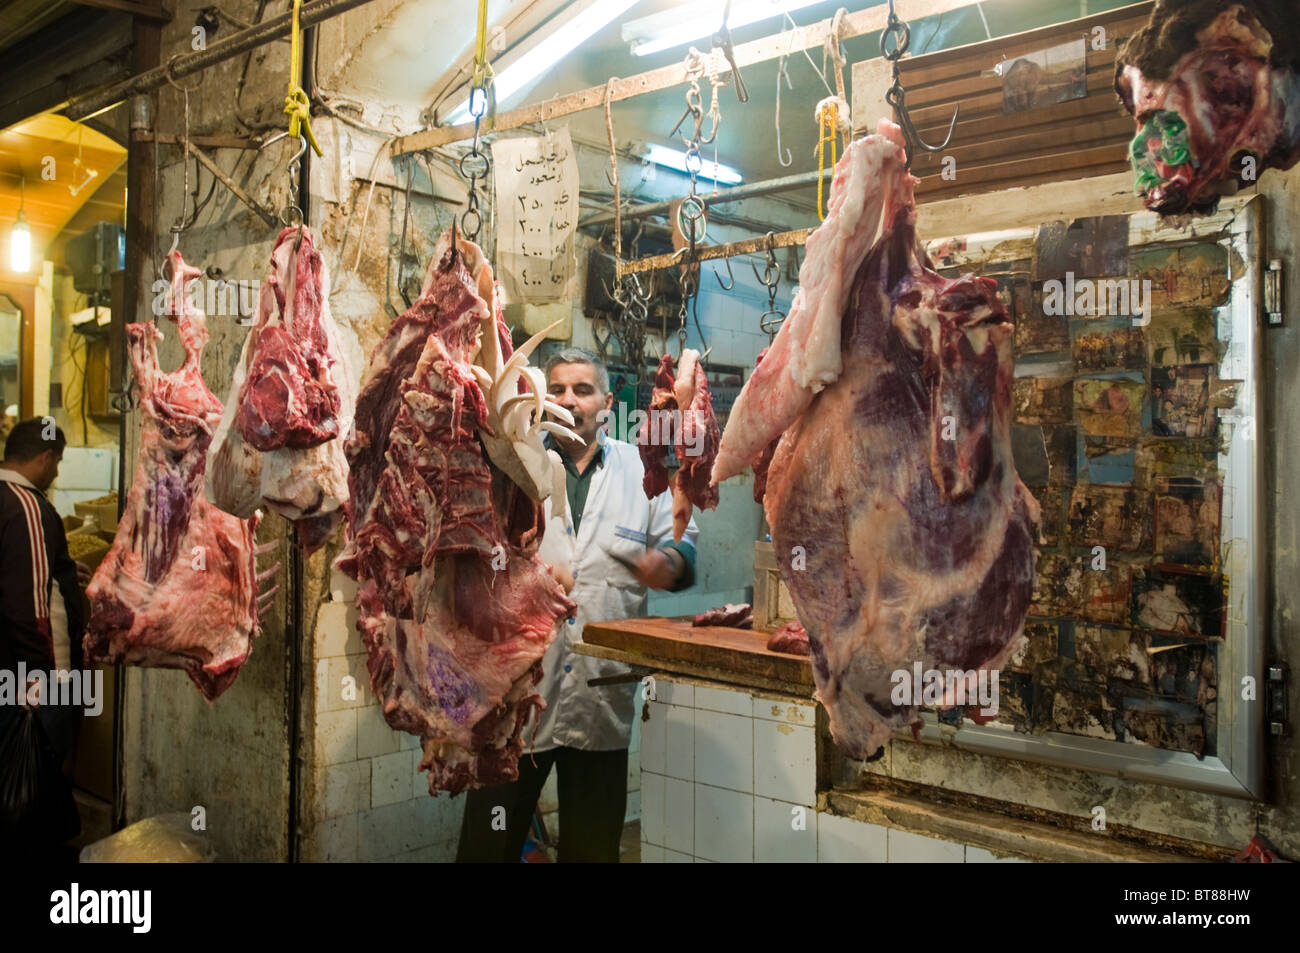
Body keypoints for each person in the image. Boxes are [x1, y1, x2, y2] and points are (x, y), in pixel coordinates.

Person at [456, 347, 699, 863]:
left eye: (583, 390)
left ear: (608, 402)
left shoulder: (644, 472)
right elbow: (477, 559)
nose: (569, 401)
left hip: (599, 697)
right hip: (516, 696)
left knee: (592, 851)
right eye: (559, 389)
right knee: (487, 848)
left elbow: (685, 550)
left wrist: (669, 566)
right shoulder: (513, 460)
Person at [0, 418, 86, 859]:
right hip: (30, 681)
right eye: (58, 462)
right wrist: (41, 687)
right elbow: (30, 611)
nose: (57, 473)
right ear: (46, 457)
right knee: (34, 792)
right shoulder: (27, 506)